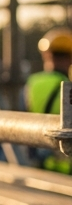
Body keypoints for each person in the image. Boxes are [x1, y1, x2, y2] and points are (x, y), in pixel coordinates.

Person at [26, 27, 72, 172]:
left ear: (46, 55)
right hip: (66, 166)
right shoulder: (68, 86)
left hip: (41, 160)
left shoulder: (33, 82)